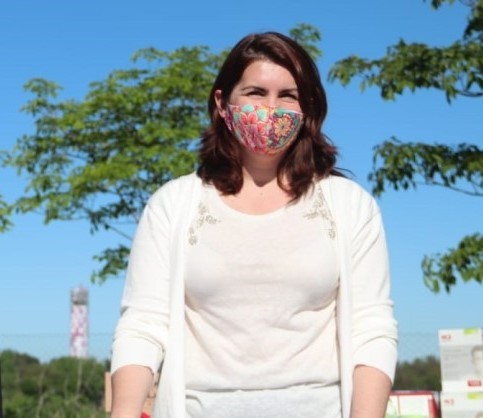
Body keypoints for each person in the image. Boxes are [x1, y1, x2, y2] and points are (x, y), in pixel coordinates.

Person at [109, 31, 398, 418]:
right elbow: (143, 325)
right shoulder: (172, 205)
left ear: (308, 107)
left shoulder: (350, 207)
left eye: (288, 95)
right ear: (222, 102)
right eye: (255, 92)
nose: (271, 108)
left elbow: (371, 330)